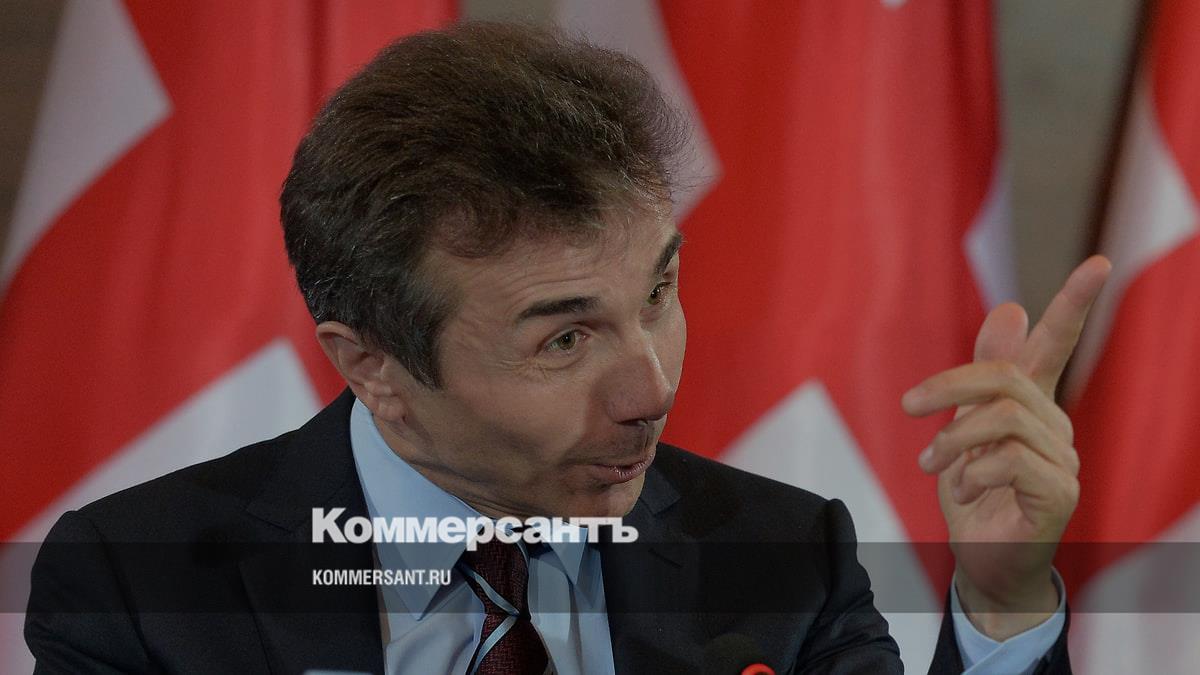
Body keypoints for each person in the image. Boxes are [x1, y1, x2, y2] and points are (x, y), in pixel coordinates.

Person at [25, 22, 1108, 674]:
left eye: (659, 292)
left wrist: (1003, 604)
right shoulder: (138, 582)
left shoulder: (785, 555)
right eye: (566, 337)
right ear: (374, 366)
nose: (651, 386)